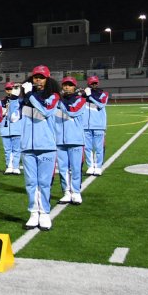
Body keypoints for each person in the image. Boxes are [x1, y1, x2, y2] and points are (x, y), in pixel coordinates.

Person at [19, 65, 61, 231]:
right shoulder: (25, 99)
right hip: (27, 146)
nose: (38, 80)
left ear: (48, 79)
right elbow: (12, 118)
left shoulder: (53, 96)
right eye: (35, 77)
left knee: (44, 182)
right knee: (31, 183)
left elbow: (46, 111)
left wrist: (30, 95)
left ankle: (44, 213)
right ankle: (33, 212)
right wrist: (15, 98)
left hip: (46, 146)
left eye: (42, 77)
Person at [55, 77, 86, 205]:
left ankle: (76, 192)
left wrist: (59, 100)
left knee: (75, 168)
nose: (67, 87)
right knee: (63, 169)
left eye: (70, 85)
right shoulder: (57, 100)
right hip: (59, 140)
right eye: (65, 85)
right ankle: (67, 192)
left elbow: (72, 111)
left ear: (74, 87)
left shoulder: (80, 100)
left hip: (75, 139)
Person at [82, 75, 109, 176]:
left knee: (99, 148)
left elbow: (101, 104)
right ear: (88, 83)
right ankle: (90, 166)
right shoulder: (83, 95)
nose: (94, 84)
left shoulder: (103, 94)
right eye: (92, 83)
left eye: (95, 83)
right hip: (85, 126)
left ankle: (98, 167)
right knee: (87, 148)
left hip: (98, 126)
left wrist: (89, 96)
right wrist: (82, 94)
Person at [0, 82, 23, 174]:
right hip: (5, 129)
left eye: (11, 89)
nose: (9, 91)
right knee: (7, 149)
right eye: (8, 89)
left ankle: (16, 167)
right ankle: (9, 166)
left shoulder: (20, 100)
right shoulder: (1, 102)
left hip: (17, 128)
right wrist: (3, 113)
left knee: (17, 149)